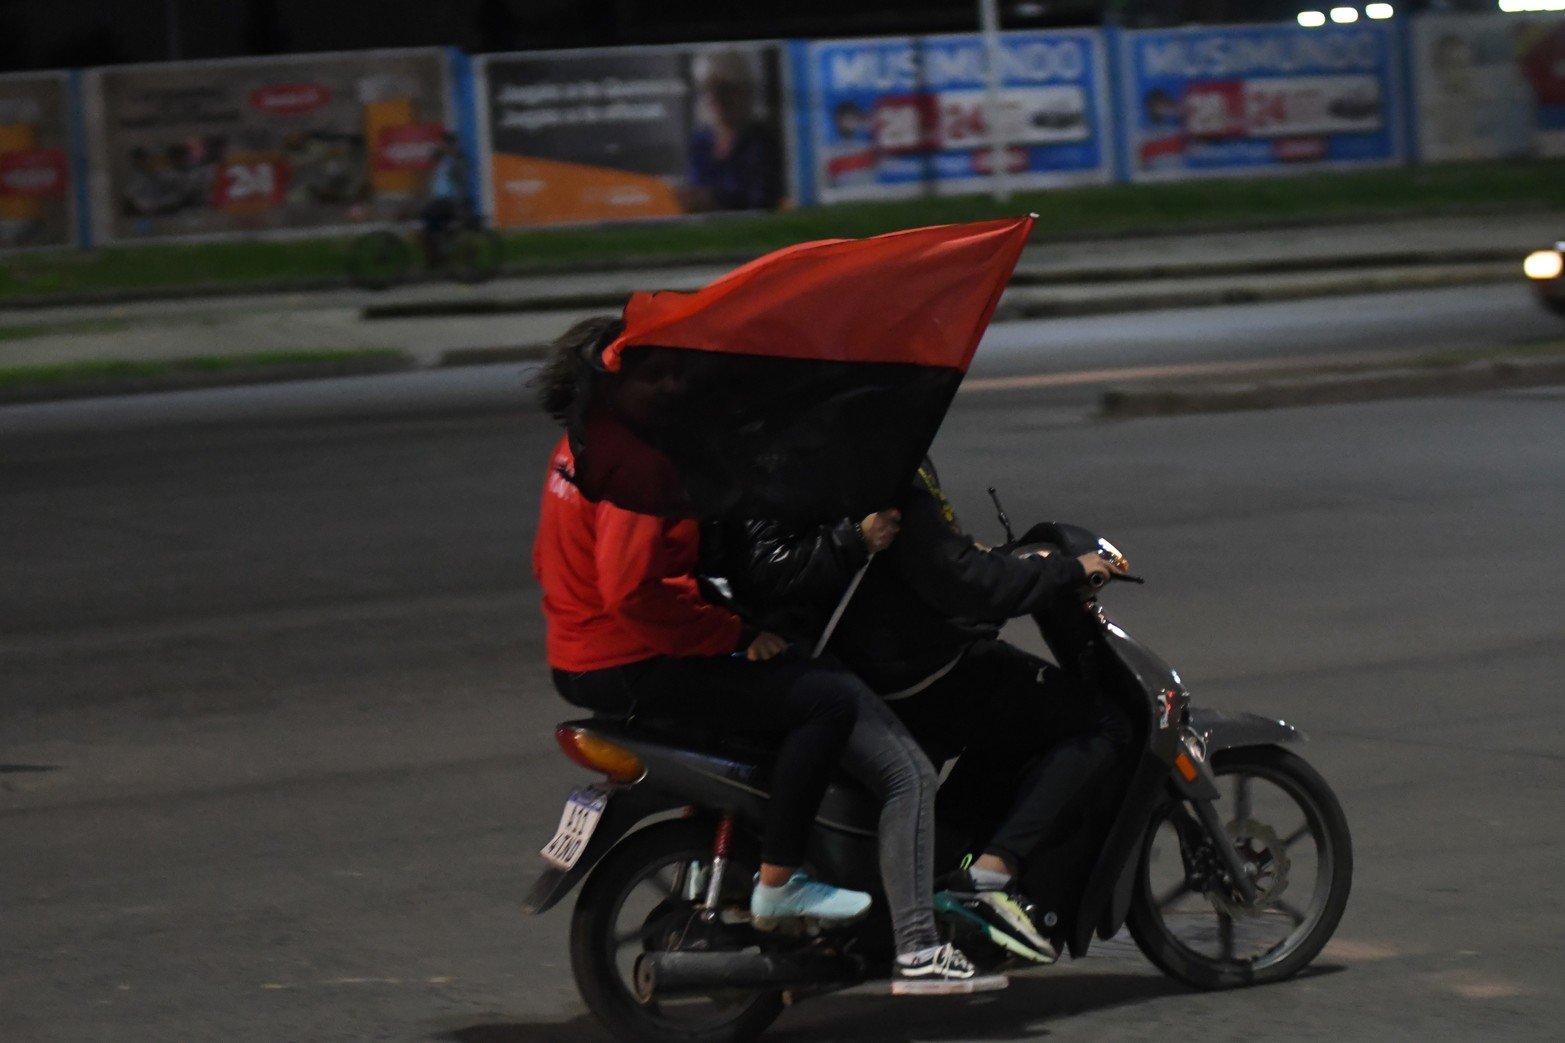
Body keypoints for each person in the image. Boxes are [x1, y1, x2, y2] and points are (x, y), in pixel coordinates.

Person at [531, 318, 1003, 992]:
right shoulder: (642, 462)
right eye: (658, 373)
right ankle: (799, 890)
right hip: (633, 655)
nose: (677, 384)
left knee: (779, 698)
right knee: (828, 700)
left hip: (582, 654)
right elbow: (632, 590)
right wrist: (725, 634)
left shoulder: (577, 450)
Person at [703, 459, 1130, 963]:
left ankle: (949, 869)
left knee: (1013, 707)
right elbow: (959, 580)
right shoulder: (885, 467)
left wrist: (997, 559)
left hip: (876, 651)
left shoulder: (837, 454)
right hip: (915, 667)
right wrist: (1065, 571)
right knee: (1104, 722)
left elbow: (940, 554)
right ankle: (976, 889)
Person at [420, 131, 472, 262]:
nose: (440, 146)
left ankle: (442, 250)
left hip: (451, 201)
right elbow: (433, 158)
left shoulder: (457, 159)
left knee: (426, 214)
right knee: (430, 223)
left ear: (450, 145)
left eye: (443, 144)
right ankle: (439, 250)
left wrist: (461, 203)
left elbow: (462, 182)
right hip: (441, 200)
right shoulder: (444, 159)